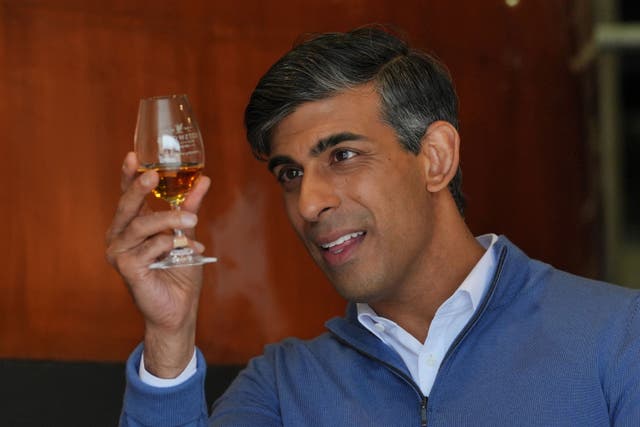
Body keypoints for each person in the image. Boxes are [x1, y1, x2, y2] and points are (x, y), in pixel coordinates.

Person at [106, 27, 640, 426]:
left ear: (435, 158)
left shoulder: (617, 337)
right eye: (290, 173)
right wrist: (169, 337)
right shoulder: (283, 388)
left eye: (342, 155)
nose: (308, 203)